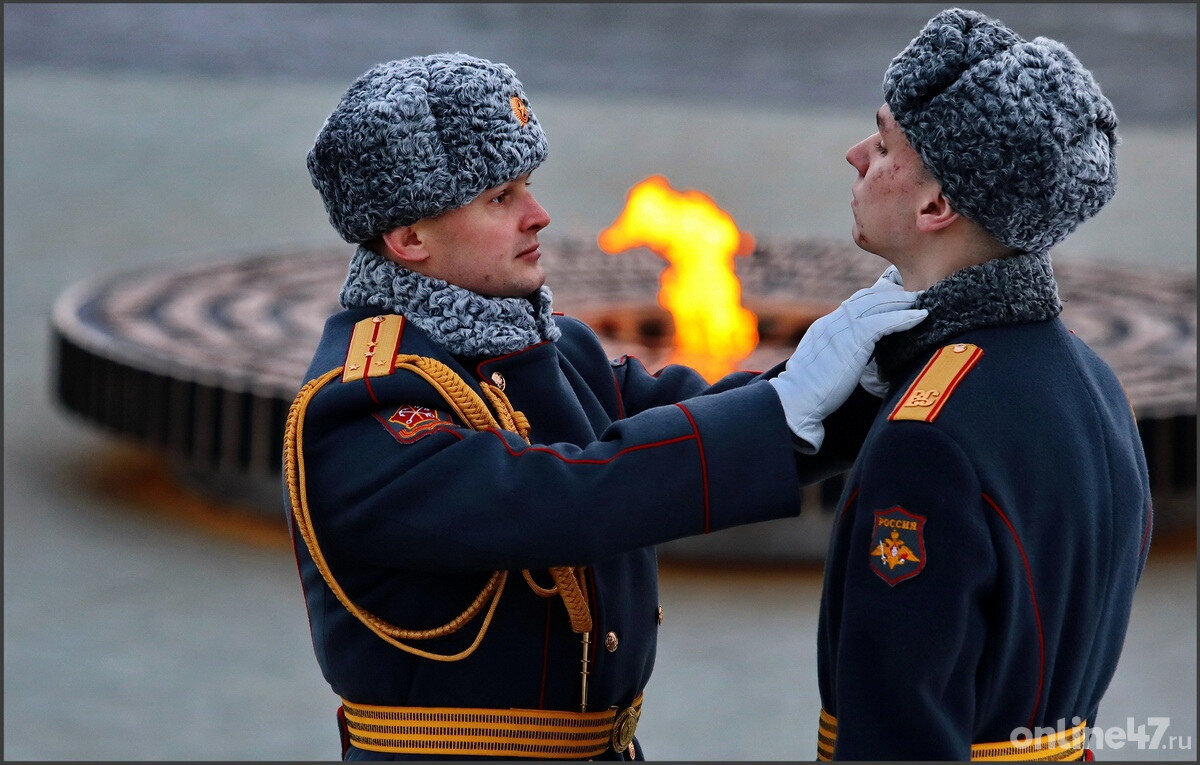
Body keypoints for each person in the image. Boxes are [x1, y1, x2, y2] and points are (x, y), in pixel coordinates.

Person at [285, 53, 925, 761]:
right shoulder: (363, 399)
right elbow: (568, 496)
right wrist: (783, 409)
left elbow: (672, 417)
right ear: (409, 238)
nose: (539, 213)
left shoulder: (545, 346)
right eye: (500, 197)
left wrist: (864, 385)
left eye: (528, 184)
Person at [813, 8, 1153, 761]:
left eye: (884, 141)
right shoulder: (1095, 382)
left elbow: (900, 730)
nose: (854, 155)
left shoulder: (928, 437)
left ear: (937, 205)